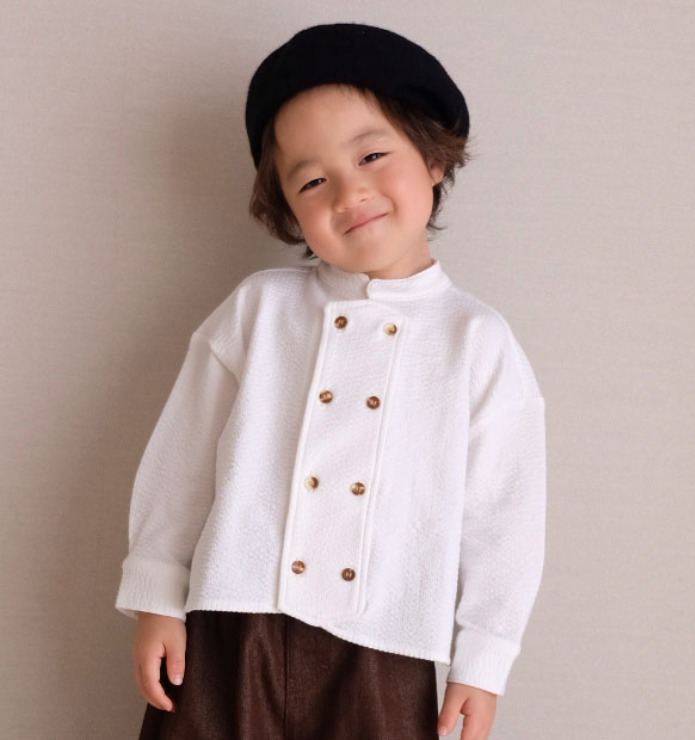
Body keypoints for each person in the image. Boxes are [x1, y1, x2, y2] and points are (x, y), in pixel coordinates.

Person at [116, 22, 546, 740]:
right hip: (231, 626)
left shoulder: (477, 340)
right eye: (313, 180)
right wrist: (158, 593)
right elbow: (182, 459)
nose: (350, 191)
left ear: (433, 157)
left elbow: (504, 520)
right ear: (288, 207)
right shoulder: (259, 310)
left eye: (372, 155)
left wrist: (483, 659)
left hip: (387, 643)